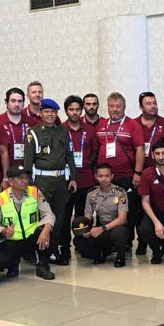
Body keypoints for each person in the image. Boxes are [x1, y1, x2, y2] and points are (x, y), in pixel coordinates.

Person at [24, 98, 77, 264]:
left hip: (61, 181)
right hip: (41, 181)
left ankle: (53, 250)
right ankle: (41, 252)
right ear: (41, 113)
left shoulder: (63, 132)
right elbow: (28, 161)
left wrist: (73, 178)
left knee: (59, 218)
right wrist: (29, 184)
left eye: (53, 112)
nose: (49, 115)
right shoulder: (33, 133)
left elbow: (69, 156)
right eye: (46, 111)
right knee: (42, 217)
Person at [0, 165, 56, 280]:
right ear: (10, 181)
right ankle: (13, 264)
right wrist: (3, 231)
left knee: (49, 230)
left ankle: (43, 266)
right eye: (20, 178)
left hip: (32, 237)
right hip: (12, 240)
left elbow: (48, 214)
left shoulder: (35, 192)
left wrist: (46, 228)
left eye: (26, 177)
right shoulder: (0, 198)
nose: (25, 181)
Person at [96, 92, 144, 251]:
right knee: (107, 210)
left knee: (129, 211)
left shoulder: (132, 125)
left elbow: (140, 149)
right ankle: (108, 243)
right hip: (106, 179)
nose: (115, 109)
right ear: (107, 107)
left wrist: (137, 173)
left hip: (126, 176)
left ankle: (128, 242)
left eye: (118, 106)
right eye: (111, 106)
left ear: (124, 107)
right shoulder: (102, 125)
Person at [61, 95, 98, 259]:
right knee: (64, 215)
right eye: (71, 109)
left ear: (81, 110)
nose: (74, 112)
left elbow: (95, 152)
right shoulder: (60, 130)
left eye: (77, 109)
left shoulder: (90, 131)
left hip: (86, 179)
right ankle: (65, 247)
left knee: (82, 216)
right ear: (66, 111)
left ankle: (81, 245)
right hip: (66, 181)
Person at [76, 163, 130, 267]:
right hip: (101, 228)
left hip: (116, 227)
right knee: (78, 241)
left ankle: (120, 256)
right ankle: (100, 253)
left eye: (107, 176)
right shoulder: (91, 194)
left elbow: (122, 219)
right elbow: (88, 216)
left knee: (120, 232)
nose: (103, 179)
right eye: (100, 176)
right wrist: (86, 230)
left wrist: (102, 228)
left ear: (112, 176)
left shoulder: (120, 192)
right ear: (96, 177)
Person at [133, 92, 164, 255]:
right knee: (139, 209)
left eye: (154, 102)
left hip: (161, 175)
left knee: (161, 207)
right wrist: (136, 173)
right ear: (141, 106)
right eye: (148, 103)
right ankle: (141, 242)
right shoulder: (133, 124)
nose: (153, 106)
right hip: (140, 175)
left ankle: (163, 241)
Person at [0, 88, 37, 167]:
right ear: (6, 103)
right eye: (13, 101)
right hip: (4, 172)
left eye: (20, 101)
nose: (17, 104)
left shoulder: (32, 123)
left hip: (27, 172)